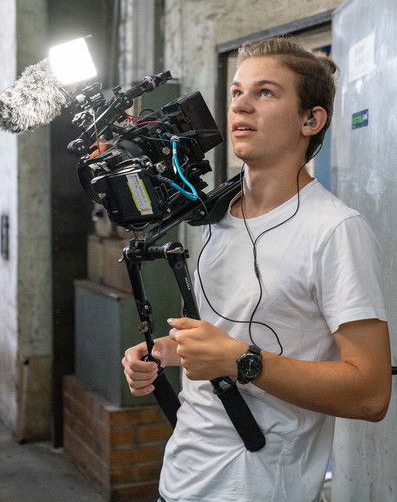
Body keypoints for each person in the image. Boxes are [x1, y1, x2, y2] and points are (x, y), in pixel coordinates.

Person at [122, 36, 391, 502]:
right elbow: (226, 334)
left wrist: (242, 361)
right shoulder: (216, 218)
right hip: (180, 481)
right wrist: (164, 351)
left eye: (265, 92)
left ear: (311, 120)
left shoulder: (335, 230)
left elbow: (370, 394)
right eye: (237, 92)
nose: (241, 105)